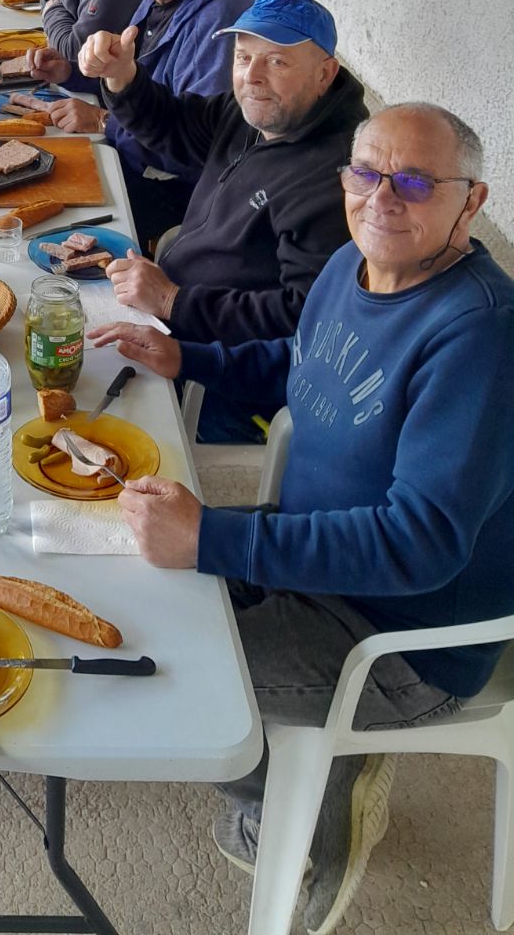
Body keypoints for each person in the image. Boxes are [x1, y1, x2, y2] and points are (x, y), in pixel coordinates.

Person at [92, 102, 513, 935]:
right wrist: (192, 356)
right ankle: (307, 755)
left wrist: (212, 538)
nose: (382, 197)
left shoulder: (479, 336)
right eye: (367, 172)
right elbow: (304, 360)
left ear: (471, 203)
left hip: (400, 635)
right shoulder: (352, 267)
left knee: (169, 676)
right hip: (315, 549)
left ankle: (326, 808)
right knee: (128, 587)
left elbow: (418, 544)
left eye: (416, 181)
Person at [78, 0, 368, 441]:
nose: (251, 77)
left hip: (220, 375)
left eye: (277, 62)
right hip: (166, 311)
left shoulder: (336, 181)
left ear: (324, 74)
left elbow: (303, 318)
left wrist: (175, 301)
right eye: (242, 56)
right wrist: (123, 77)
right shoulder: (255, 113)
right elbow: (176, 127)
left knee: (80, 402)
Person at [37, 0, 258, 245]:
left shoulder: (221, 17)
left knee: (48, 221)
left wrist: (103, 122)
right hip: (137, 157)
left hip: (182, 195)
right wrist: (70, 73)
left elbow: (192, 149)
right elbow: (134, 81)